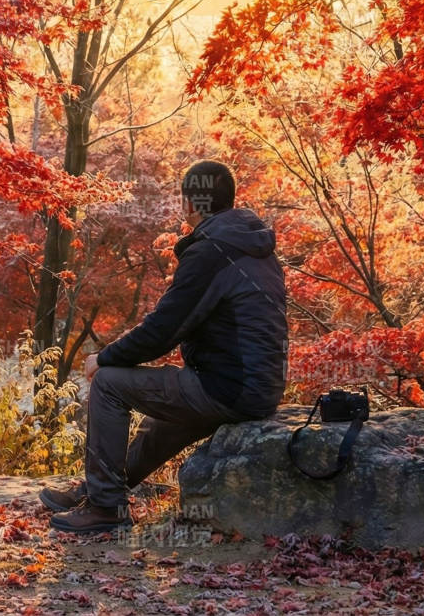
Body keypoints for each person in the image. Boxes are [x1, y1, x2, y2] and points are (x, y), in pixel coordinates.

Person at [43, 159, 288, 533]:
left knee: (109, 383)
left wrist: (103, 357)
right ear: (228, 200)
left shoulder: (211, 251)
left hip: (229, 388)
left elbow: (162, 331)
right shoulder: (256, 249)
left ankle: (105, 508)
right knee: (161, 423)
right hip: (258, 388)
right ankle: (98, 490)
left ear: (189, 204)